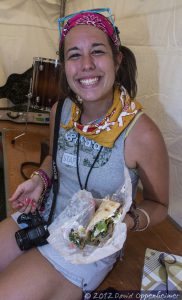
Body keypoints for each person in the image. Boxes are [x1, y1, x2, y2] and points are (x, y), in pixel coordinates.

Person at [0, 8, 169, 300]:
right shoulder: (61, 110)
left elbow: (158, 204)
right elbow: (54, 159)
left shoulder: (141, 133)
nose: (86, 65)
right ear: (64, 64)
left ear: (117, 59)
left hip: (87, 244)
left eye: (97, 51)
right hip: (44, 215)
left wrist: (126, 222)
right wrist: (40, 179)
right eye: (74, 55)